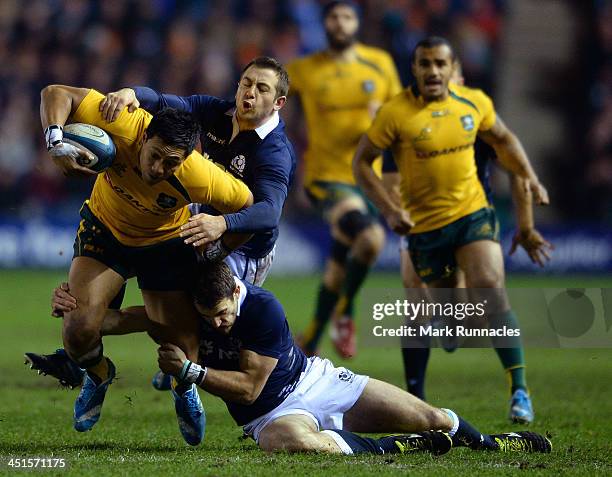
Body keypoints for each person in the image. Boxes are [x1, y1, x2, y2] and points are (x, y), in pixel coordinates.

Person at [31, 262, 552, 455]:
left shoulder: (263, 309)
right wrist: (78, 309)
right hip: (271, 419)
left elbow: (250, 387)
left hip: (316, 383)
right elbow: (121, 322)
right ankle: (401, 448)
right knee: (292, 442)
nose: (216, 325)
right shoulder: (193, 312)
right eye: (206, 317)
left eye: (222, 315)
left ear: (237, 291)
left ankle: (493, 444)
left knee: (435, 415)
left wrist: (190, 372)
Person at [33, 56, 297, 392]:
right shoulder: (216, 112)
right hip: (200, 226)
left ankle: (200, 368)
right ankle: (89, 332)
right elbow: (167, 102)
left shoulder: (275, 152)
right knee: (178, 320)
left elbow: (269, 213)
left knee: (208, 318)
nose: (249, 93)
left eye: (261, 89)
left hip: (245, 246)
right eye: (246, 83)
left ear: (278, 103)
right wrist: (131, 92)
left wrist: (223, 226)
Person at [39, 83, 252, 444]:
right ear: (144, 136)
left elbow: (247, 206)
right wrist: (55, 141)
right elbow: (55, 93)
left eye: (172, 163)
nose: (158, 169)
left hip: (165, 243)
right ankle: (99, 374)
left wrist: (219, 246)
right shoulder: (123, 121)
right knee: (77, 331)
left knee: (185, 349)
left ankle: (182, 387)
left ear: (186, 158)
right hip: (105, 229)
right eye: (154, 155)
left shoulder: (201, 176)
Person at [353, 36, 549, 424]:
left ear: (454, 68)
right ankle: (447, 324)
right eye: (425, 64)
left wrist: (529, 182)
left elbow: (506, 142)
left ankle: (520, 391)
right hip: (425, 229)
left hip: (473, 215)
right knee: (444, 307)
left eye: (441, 64)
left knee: (490, 288)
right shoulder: (395, 115)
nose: (434, 72)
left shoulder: (474, 103)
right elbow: (363, 164)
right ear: (415, 69)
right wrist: (391, 210)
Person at [286, 1, 403, 358]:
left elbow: (402, 120)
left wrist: (383, 117)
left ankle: (310, 340)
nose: (340, 22)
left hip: (371, 179)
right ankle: (346, 312)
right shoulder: (304, 69)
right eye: (333, 16)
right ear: (325, 24)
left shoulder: (379, 63)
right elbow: (268, 103)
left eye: (346, 16)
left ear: (356, 22)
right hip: (326, 176)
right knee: (369, 239)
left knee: (339, 264)